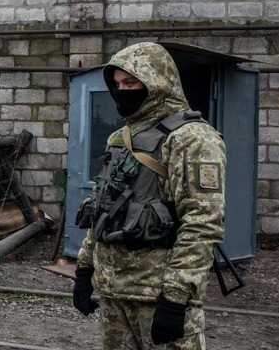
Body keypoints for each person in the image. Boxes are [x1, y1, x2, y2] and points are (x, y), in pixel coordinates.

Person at [72, 42, 226, 349]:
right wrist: (85, 268)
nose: (122, 90)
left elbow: (202, 222)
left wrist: (175, 297)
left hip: (158, 294)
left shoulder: (191, 139)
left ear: (157, 81)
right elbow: (104, 207)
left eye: (130, 83)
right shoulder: (121, 138)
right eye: (116, 84)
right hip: (114, 292)